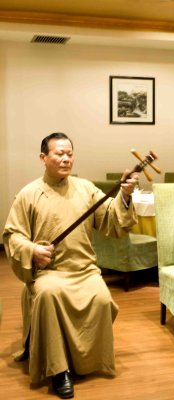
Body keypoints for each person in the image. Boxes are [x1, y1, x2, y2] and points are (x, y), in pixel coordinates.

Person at [3, 132, 139, 398]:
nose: (66, 159)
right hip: (50, 273)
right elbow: (12, 235)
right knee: (49, 294)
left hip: (84, 270)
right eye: (59, 154)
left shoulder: (86, 188)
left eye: (69, 154)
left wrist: (124, 195)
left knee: (101, 297)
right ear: (43, 158)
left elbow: (111, 217)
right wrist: (32, 250)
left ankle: (85, 360)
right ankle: (59, 370)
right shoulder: (29, 194)